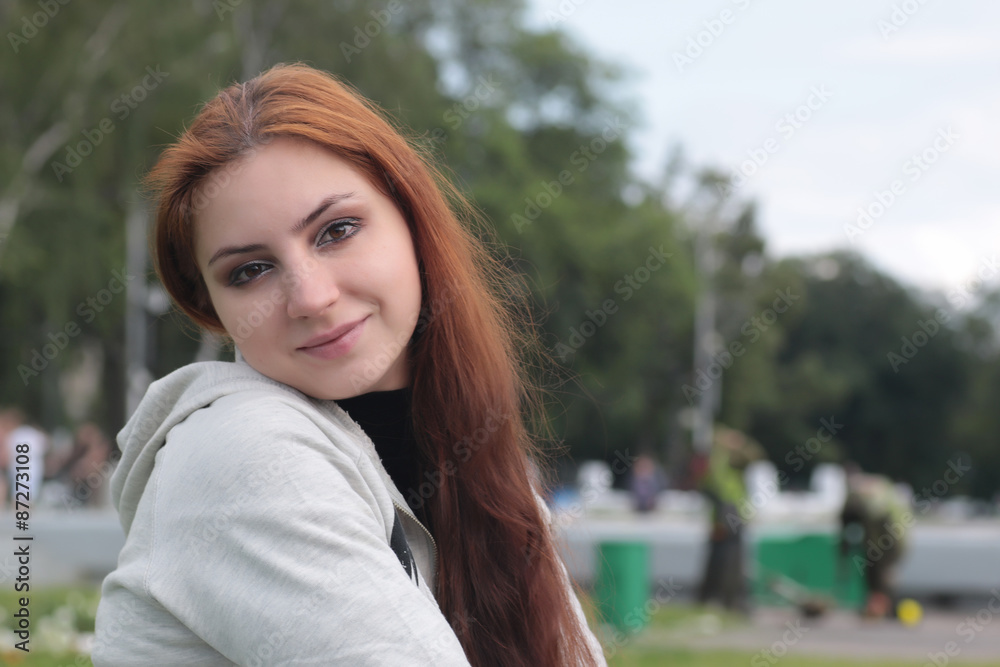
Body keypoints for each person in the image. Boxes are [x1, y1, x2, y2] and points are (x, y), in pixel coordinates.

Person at [93, 63, 605, 666]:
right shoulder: (241, 454)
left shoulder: (475, 458)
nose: (311, 297)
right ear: (212, 306)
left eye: (336, 230)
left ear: (412, 220)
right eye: (250, 270)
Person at [696, 426, 762, 613]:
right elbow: (713, 482)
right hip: (724, 513)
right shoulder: (717, 459)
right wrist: (725, 445)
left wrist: (739, 444)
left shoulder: (735, 460)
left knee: (732, 560)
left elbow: (755, 455)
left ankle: (728, 600)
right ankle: (719, 599)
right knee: (722, 560)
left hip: (734, 512)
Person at [838, 463, 909, 619]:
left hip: (892, 540)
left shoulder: (873, 490)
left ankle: (885, 607)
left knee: (883, 573)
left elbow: (879, 515)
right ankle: (876, 606)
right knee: (872, 572)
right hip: (876, 541)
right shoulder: (860, 494)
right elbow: (847, 520)